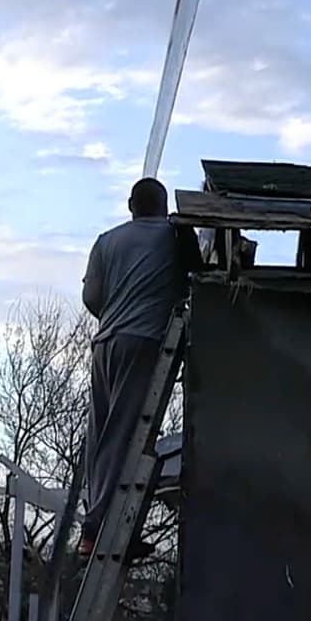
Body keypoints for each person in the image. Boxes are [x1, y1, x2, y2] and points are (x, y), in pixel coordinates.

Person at [79, 177, 203, 558]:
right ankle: (101, 528)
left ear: (131, 206)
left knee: (100, 436)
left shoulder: (107, 240)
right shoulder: (174, 235)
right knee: (127, 436)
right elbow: (197, 278)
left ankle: (94, 524)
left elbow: (91, 297)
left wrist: (117, 315)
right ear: (163, 205)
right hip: (146, 341)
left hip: (105, 345)